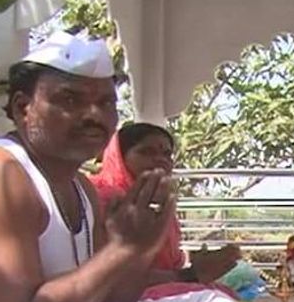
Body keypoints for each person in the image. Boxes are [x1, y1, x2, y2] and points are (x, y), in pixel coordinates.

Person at [0, 32, 241, 302]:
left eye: (106, 103)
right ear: (25, 108)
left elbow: (115, 300)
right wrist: (122, 250)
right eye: (70, 99)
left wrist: (139, 246)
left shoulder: (81, 186)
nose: (94, 115)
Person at [89, 123, 240, 292]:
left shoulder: (158, 202)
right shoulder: (104, 199)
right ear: (119, 158)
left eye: (166, 154)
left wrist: (200, 267)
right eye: (146, 152)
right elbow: (109, 278)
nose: (161, 159)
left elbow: (170, 267)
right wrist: (192, 274)